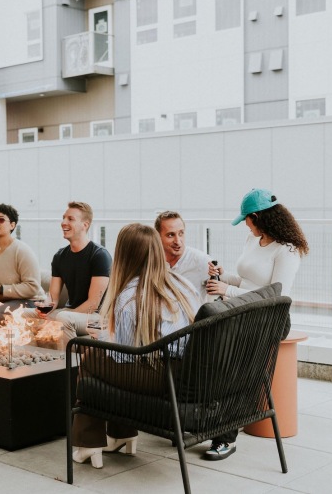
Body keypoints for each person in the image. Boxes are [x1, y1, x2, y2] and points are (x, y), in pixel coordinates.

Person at [71, 223, 201, 469]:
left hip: (163, 377)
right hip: (186, 370)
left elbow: (124, 358)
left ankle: (89, 444)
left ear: (124, 255)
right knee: (99, 354)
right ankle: (122, 435)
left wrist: (103, 343)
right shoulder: (182, 284)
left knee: (89, 358)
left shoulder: (129, 296)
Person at [204, 188, 309, 461]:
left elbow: (275, 295)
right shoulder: (254, 240)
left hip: (269, 317)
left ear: (256, 217)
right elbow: (246, 281)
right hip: (240, 311)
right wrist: (222, 276)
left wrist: (226, 290)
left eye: (246, 221)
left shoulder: (287, 250)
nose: (245, 226)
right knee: (214, 356)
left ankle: (225, 436)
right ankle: (210, 419)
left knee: (234, 365)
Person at [26, 202, 112, 339]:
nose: (63, 222)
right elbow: (53, 297)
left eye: (70, 219)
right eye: (64, 218)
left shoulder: (99, 255)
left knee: (62, 318)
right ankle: (35, 357)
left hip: (97, 317)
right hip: (69, 313)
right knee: (24, 315)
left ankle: (70, 360)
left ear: (85, 225)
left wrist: (60, 317)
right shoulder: (60, 256)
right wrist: (45, 306)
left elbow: (93, 304)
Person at [155, 210, 211, 297]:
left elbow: (224, 291)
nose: (178, 241)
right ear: (158, 237)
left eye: (181, 233)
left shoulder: (201, 260)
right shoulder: (151, 262)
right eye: (171, 235)